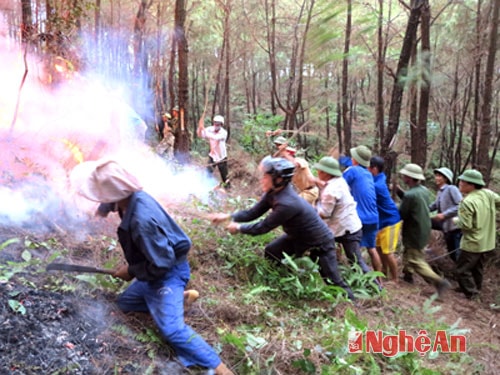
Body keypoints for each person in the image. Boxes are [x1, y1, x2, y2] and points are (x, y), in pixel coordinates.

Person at [74, 159, 233, 375]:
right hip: (154, 272)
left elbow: (162, 264)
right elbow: (112, 199)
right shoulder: (130, 198)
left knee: (173, 330)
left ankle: (220, 368)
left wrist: (131, 271)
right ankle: (179, 298)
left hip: (168, 274)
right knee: (125, 302)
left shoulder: (141, 221)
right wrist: (100, 212)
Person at [209, 156, 355, 301]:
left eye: (266, 176)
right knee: (272, 252)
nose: (262, 179)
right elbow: (252, 213)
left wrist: (239, 228)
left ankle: (351, 303)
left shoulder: (286, 203)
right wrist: (228, 217)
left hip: (319, 242)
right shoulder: (273, 193)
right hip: (298, 237)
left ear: (279, 179)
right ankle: (284, 284)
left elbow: (263, 227)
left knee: (332, 280)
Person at [398, 163, 451, 297]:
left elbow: (402, 213)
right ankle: (407, 275)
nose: (403, 176)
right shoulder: (424, 190)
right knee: (411, 252)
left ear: (409, 178)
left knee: (415, 260)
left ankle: (439, 282)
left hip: (414, 231)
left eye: (405, 175)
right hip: (424, 228)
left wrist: (394, 205)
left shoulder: (410, 195)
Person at [314, 157, 373, 276]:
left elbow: (324, 213)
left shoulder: (332, 190)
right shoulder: (339, 181)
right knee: (319, 250)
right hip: (344, 226)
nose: (317, 173)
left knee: (356, 261)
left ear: (325, 173)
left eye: (319, 171)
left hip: (347, 229)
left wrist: (312, 206)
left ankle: (374, 287)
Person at [454, 169, 500, 299]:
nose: (460, 183)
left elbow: (466, 225)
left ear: (472, 185)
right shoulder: (488, 194)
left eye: (463, 181)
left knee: (461, 270)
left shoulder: (467, 202)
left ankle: (472, 294)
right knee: (477, 268)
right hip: (487, 241)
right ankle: (476, 288)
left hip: (473, 242)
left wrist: (456, 220)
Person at [343, 145, 382, 279]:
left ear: (355, 160)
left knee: (354, 249)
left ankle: (358, 279)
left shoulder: (352, 171)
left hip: (359, 218)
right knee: (372, 249)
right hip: (373, 217)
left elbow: (338, 186)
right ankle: (379, 280)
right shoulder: (369, 175)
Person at [368, 156, 402, 282]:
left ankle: (395, 279)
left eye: (368, 167)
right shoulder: (378, 178)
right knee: (378, 249)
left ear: (374, 169)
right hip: (381, 222)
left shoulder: (377, 185)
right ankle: (383, 274)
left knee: (388, 252)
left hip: (390, 221)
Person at [429, 167, 462, 262]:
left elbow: (460, 205)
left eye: (439, 176)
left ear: (446, 178)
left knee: (457, 253)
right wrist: (423, 210)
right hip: (447, 227)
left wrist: (444, 214)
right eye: (436, 175)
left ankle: (464, 275)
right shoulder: (440, 191)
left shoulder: (452, 188)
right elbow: (434, 205)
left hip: (456, 227)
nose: (436, 178)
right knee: (451, 252)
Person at [272, 136, 319, 205]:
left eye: (284, 157)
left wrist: (284, 152)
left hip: (311, 192)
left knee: (292, 205)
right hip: (304, 192)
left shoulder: (300, 161)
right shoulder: (288, 169)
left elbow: (296, 164)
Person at [197, 115, 230, 188]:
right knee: (208, 173)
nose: (216, 125)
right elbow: (200, 135)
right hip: (212, 155)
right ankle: (206, 187)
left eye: (218, 124)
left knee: (224, 176)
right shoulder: (210, 129)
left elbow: (215, 137)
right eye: (215, 123)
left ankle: (228, 189)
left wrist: (204, 130)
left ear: (221, 124)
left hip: (221, 157)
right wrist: (200, 127)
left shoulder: (224, 133)